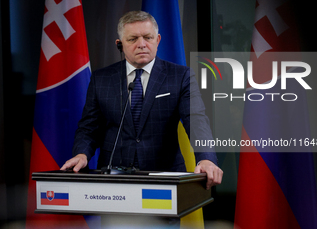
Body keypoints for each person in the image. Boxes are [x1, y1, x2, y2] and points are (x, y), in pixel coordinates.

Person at [61, 11, 222, 190]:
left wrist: (206, 158)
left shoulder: (180, 76)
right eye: (133, 39)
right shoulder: (102, 79)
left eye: (148, 37)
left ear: (158, 40)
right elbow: (89, 127)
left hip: (164, 179)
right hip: (114, 181)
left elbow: (196, 119)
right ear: (120, 44)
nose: (142, 44)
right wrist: (82, 154)